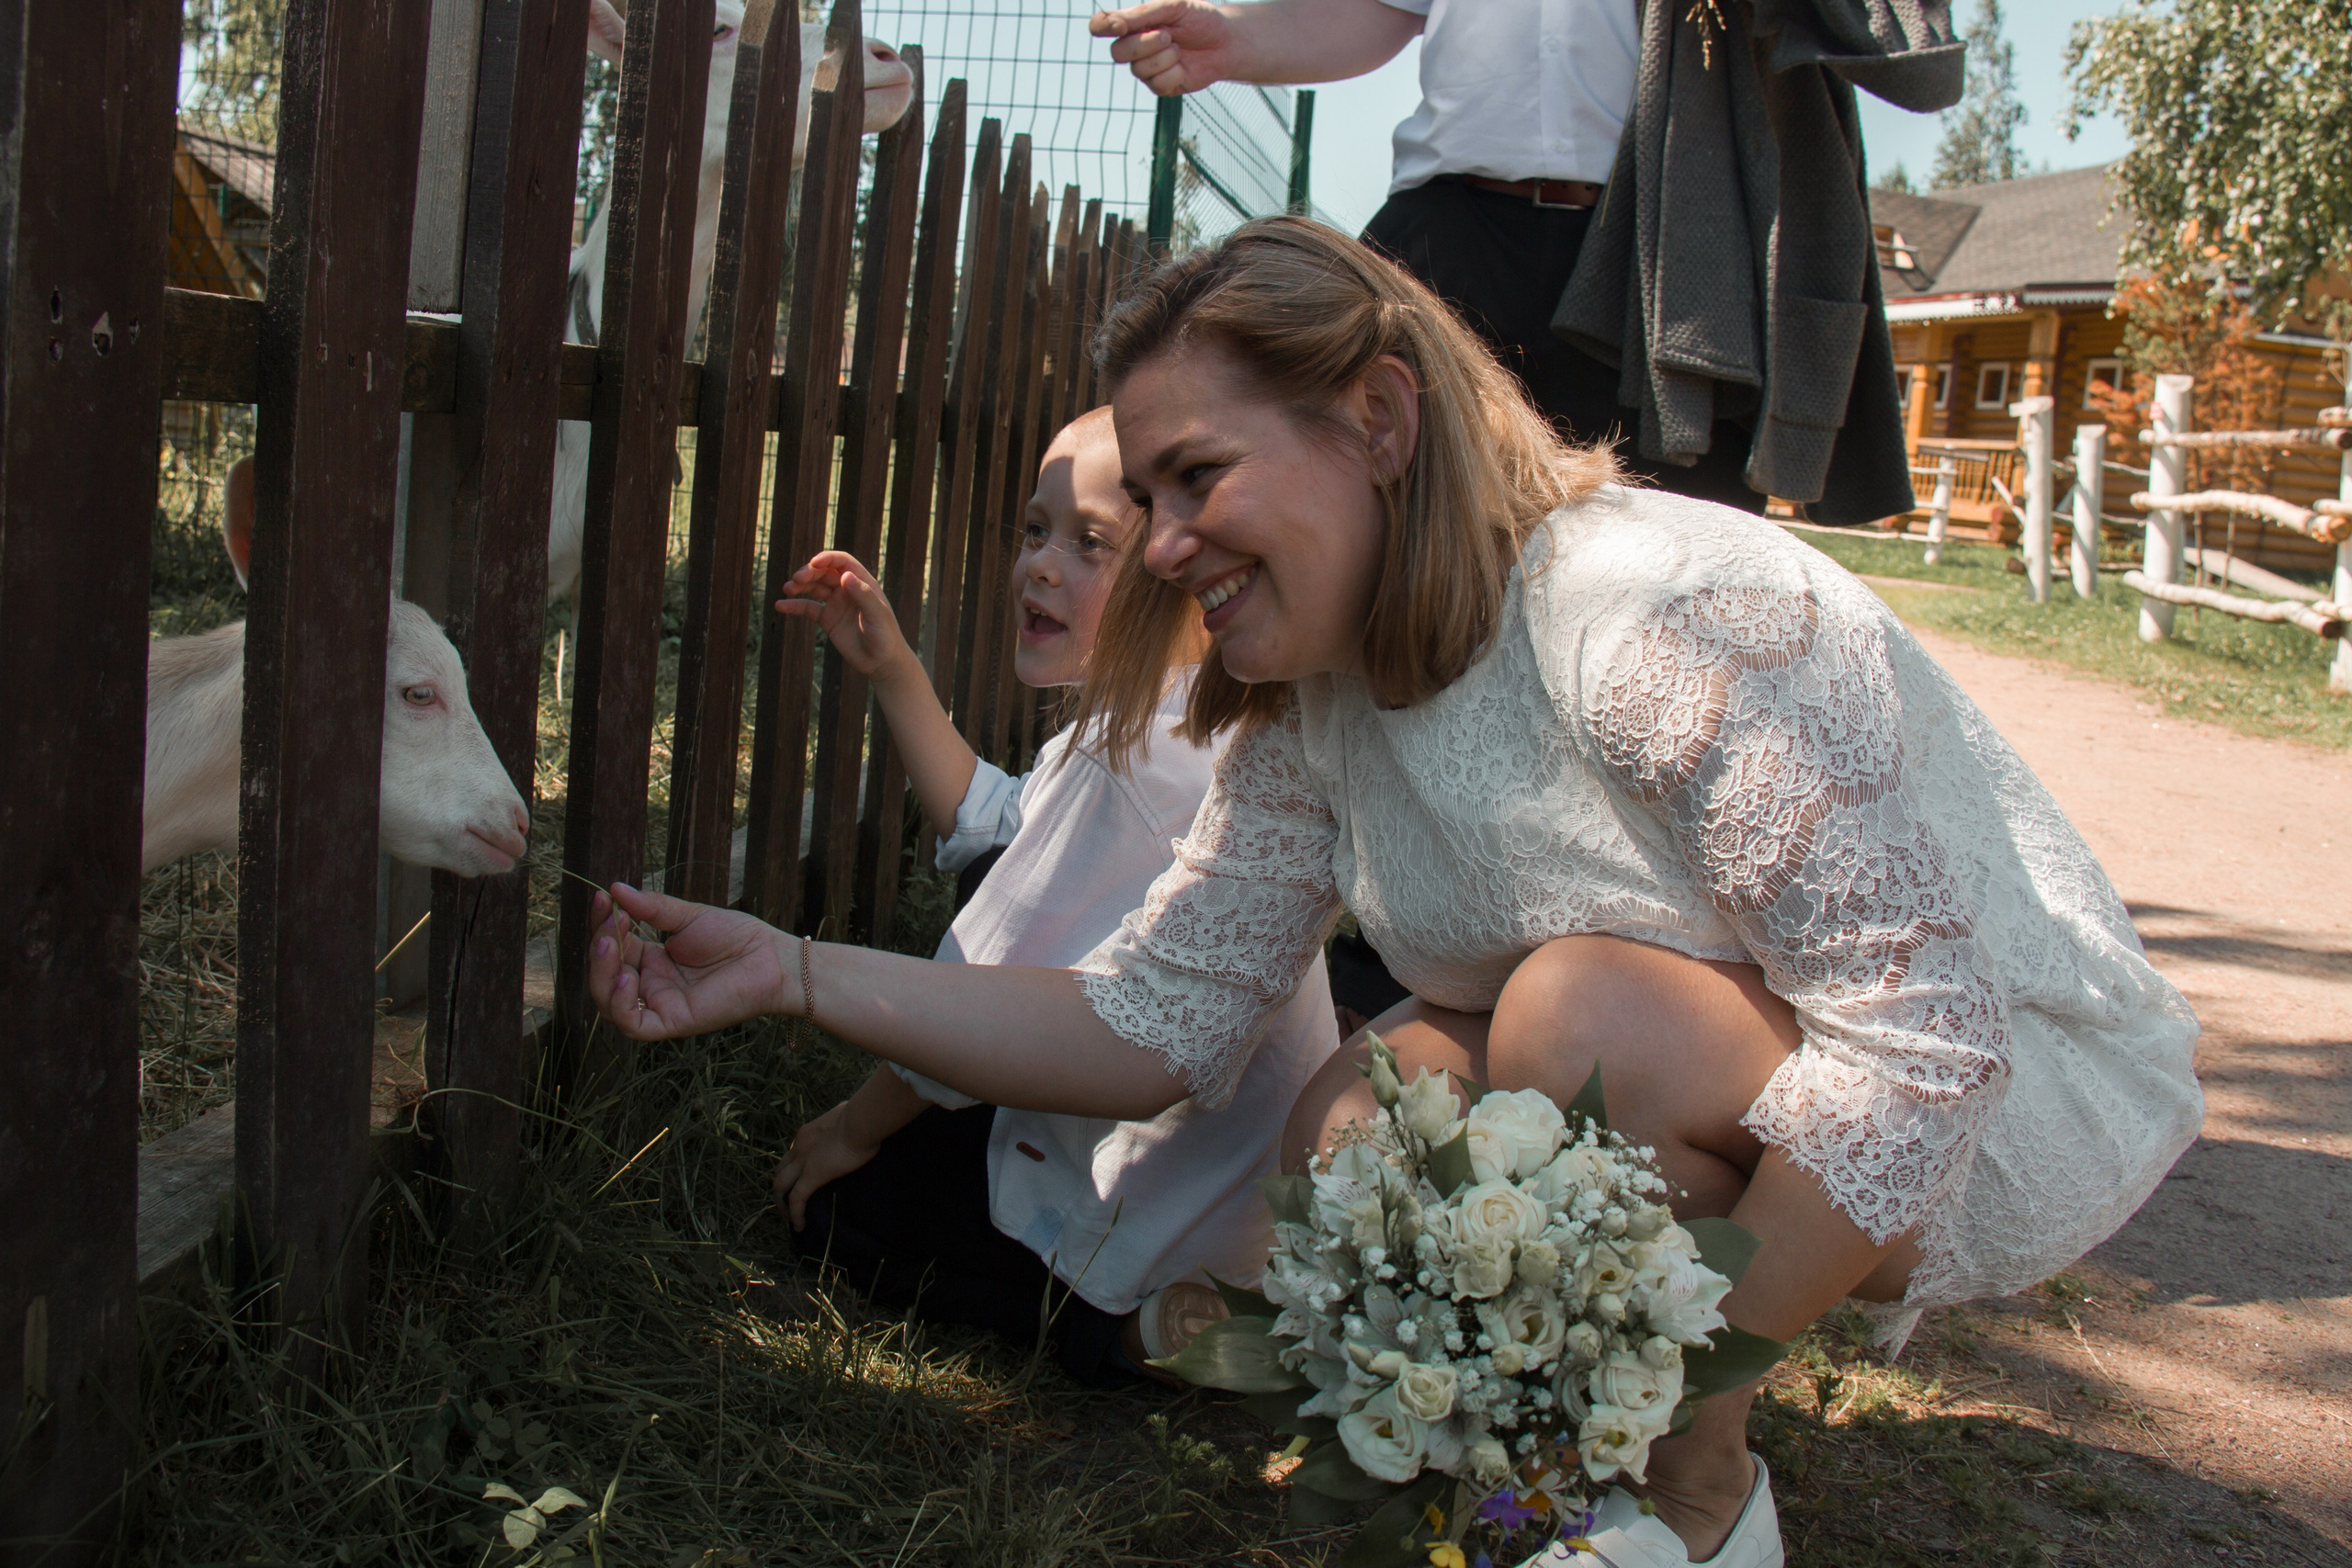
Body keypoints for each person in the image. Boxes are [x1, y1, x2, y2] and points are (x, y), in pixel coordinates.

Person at [582, 221, 2202, 1565]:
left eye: (1195, 476)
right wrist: (795, 968)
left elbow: (1925, 1038)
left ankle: (1688, 1493)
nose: (1161, 547)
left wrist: (1639, 1394)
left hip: (2002, 1091)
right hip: (1750, 1058)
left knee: (1573, 1016)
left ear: (1377, 419)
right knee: (1363, 1110)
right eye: (1149, 495)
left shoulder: (1650, 617)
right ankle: (1547, 1484)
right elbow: (1153, 1018)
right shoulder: (1316, 704)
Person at [762, 407, 1340, 1387]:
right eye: (1035, 530)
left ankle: (1128, 1330)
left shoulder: (1124, 761)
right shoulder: (1188, 718)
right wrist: (894, 669)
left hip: (1145, 1201)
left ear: (1181, 572)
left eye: (1089, 543)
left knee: (840, 1213)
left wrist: (849, 1130)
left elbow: (969, 991)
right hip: (1246, 1182)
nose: (1039, 565)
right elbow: (1003, 828)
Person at [1087, 0, 1758, 510]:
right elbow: (1378, 11)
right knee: (1367, 510)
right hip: (1445, 239)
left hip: (1659, 249)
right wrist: (1233, 36)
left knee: (1674, 532)